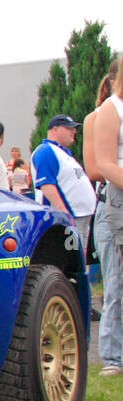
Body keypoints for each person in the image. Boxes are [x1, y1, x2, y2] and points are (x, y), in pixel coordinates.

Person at [91, 65, 123, 375]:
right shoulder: (105, 113)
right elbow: (100, 167)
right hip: (114, 203)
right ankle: (113, 357)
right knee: (116, 282)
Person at [32, 114, 96, 254]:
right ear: (55, 129)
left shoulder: (63, 153)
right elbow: (47, 184)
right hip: (68, 217)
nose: (73, 131)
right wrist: (64, 214)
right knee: (69, 256)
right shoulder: (46, 151)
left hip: (81, 215)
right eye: (68, 128)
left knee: (79, 255)